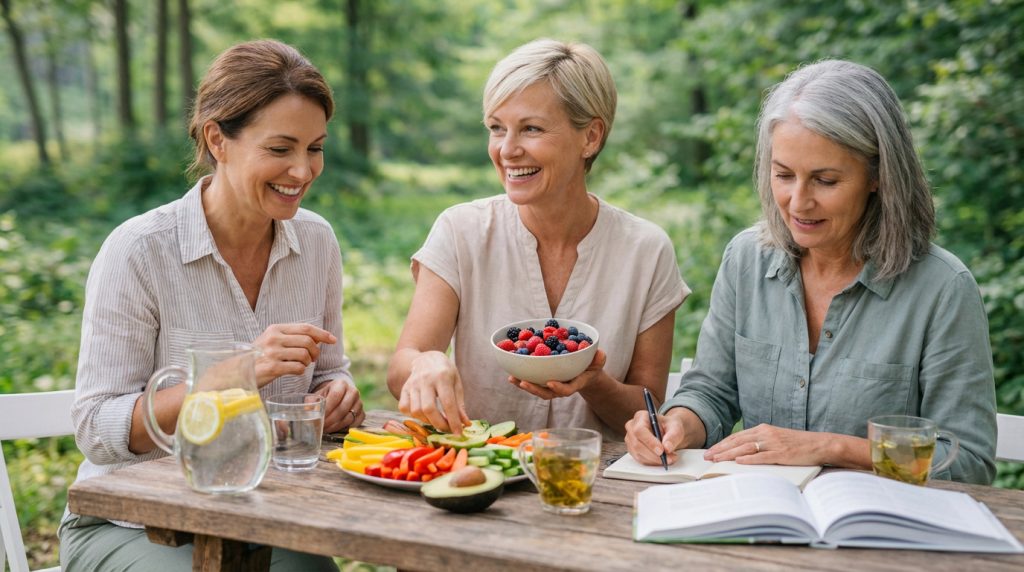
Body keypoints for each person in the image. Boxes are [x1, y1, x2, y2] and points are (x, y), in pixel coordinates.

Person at [59, 40, 360, 571]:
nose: (302, 170)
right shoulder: (140, 250)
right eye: (280, 149)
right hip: (132, 523)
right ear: (217, 139)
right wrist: (236, 372)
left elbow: (328, 374)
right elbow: (97, 429)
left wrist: (338, 395)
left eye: (315, 148)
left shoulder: (317, 242)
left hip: (262, 515)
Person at [624, 59, 997, 484]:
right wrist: (675, 424)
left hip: (875, 520)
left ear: (877, 175)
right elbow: (712, 392)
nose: (798, 202)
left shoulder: (943, 289)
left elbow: (968, 462)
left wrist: (831, 447)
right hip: (760, 510)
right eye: (784, 175)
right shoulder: (746, 259)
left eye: (826, 181)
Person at [386, 38, 689, 440]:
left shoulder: (646, 251)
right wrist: (424, 364)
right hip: (481, 468)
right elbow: (400, 371)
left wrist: (593, 381)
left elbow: (646, 408)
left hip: (591, 472)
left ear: (591, 137)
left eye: (531, 128)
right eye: (497, 128)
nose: (507, 150)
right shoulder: (460, 231)